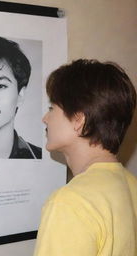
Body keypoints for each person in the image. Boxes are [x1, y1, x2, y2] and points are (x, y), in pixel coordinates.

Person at [34, 59, 137, 255]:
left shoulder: (70, 203)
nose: (45, 119)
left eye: (52, 108)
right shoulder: (132, 185)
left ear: (79, 121)